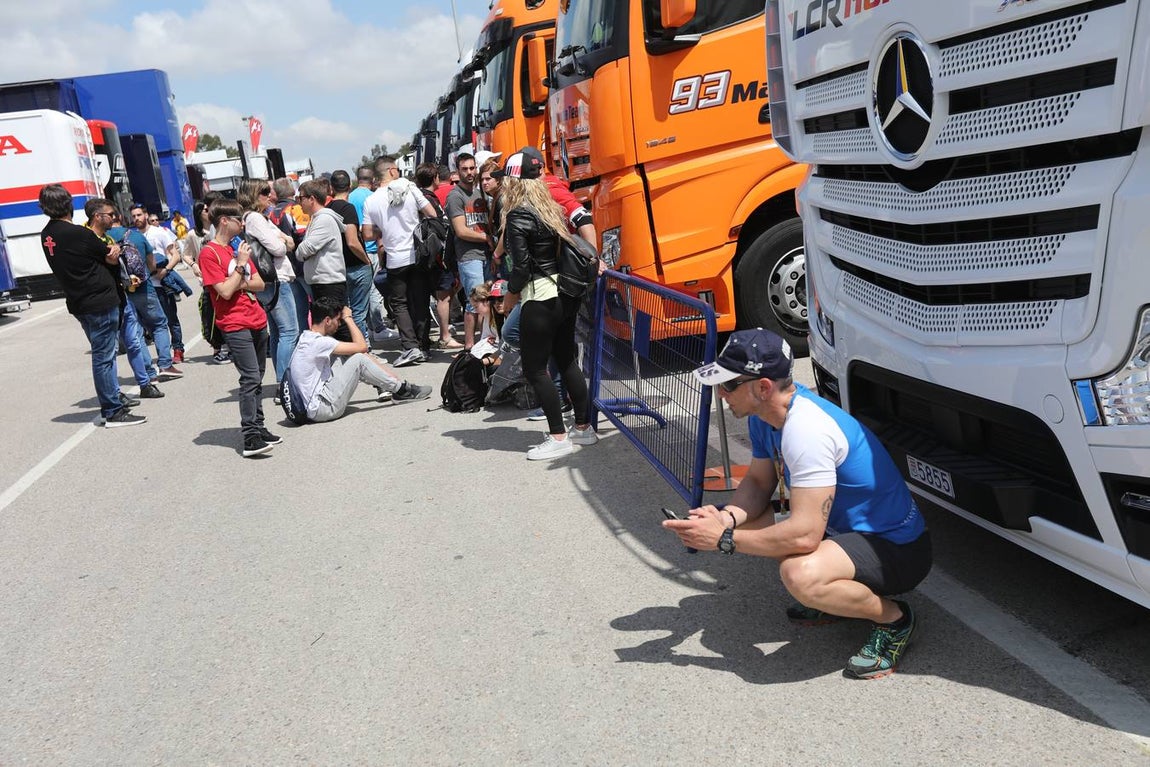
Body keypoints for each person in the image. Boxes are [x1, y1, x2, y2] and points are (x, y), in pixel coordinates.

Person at [664, 329, 933, 680]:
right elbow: (760, 483)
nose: (721, 393)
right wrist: (724, 519)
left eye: (729, 385)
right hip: (848, 529)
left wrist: (723, 540)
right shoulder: (769, 415)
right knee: (752, 526)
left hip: (898, 550)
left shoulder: (806, 429)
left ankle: (895, 619)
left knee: (799, 573)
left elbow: (804, 535)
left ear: (762, 388)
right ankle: (837, 599)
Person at [499, 152, 596, 460]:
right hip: (564, 294)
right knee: (566, 359)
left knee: (536, 369)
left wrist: (508, 300)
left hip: (539, 297)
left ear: (512, 182)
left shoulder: (518, 214)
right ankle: (583, 428)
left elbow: (521, 268)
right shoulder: (549, 208)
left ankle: (558, 436)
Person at [38, 186, 145, 427]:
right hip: (99, 300)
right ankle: (112, 410)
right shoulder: (78, 233)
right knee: (104, 357)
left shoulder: (47, 235)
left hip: (78, 301)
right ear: (69, 205)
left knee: (103, 354)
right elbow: (109, 254)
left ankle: (114, 397)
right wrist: (115, 251)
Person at [198, 198, 278, 458]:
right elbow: (223, 291)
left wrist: (238, 280)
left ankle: (260, 425)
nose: (242, 224)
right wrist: (241, 267)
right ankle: (250, 436)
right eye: (237, 219)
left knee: (258, 377)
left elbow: (260, 284)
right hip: (234, 323)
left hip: (256, 318)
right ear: (224, 221)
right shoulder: (209, 253)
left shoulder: (236, 247)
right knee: (250, 378)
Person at [288, 296, 431, 423]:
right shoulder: (321, 343)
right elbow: (362, 347)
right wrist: (348, 319)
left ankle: (387, 383)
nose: (339, 325)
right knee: (358, 359)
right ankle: (402, 391)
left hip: (308, 407)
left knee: (343, 355)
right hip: (322, 410)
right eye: (338, 320)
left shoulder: (306, 338)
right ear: (327, 320)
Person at [362, 156, 438, 367]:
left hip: (394, 258)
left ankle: (410, 346)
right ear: (393, 171)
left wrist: (384, 228)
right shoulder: (410, 187)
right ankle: (423, 347)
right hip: (417, 254)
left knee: (400, 303)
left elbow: (367, 234)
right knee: (421, 300)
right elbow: (431, 213)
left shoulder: (371, 200)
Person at [85, 199, 164, 401]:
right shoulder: (85, 239)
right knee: (108, 353)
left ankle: (146, 382)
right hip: (102, 303)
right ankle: (114, 396)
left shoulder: (109, 240)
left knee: (135, 341)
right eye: (110, 214)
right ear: (97, 216)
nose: (115, 218)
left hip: (121, 296)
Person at [238, 179, 299, 389]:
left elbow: (287, 241)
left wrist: (284, 240)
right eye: (264, 192)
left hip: (269, 280)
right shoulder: (255, 217)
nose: (269, 196)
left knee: (278, 332)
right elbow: (280, 248)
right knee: (290, 331)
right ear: (254, 195)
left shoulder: (255, 217)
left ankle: (282, 382)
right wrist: (283, 241)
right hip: (275, 279)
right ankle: (284, 384)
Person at [109, 211, 182, 380]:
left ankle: (148, 371)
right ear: (121, 218)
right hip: (143, 287)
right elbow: (151, 264)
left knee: (136, 332)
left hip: (121, 292)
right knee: (159, 324)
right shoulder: (135, 236)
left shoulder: (103, 239)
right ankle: (165, 364)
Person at [446, 152, 493, 351]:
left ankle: (485, 343)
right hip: (468, 255)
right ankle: (469, 346)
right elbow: (461, 230)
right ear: (458, 171)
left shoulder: (480, 192)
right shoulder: (455, 196)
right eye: (465, 169)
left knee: (488, 300)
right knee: (475, 301)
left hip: (487, 255)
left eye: (472, 168)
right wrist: (487, 238)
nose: (469, 173)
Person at [415, 161, 462, 350]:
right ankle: (444, 335)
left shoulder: (421, 198)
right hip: (437, 256)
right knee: (444, 296)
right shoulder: (427, 200)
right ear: (435, 178)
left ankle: (431, 337)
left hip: (429, 256)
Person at [296, 179, 350, 341]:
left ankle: (357, 358)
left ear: (311, 199)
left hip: (329, 282)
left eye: (301, 198)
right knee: (331, 326)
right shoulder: (317, 219)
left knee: (337, 325)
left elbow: (305, 249)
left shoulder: (323, 220)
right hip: (323, 281)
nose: (299, 203)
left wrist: (299, 250)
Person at [135, 206, 187, 363]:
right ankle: (163, 353)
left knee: (171, 319)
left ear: (145, 215)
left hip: (163, 283)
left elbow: (175, 255)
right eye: (134, 216)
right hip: (147, 285)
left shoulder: (159, 233)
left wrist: (165, 270)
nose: (136, 218)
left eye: (139, 215)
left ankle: (178, 349)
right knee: (152, 322)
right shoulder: (135, 237)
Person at [328, 170, 373, 338]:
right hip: (356, 265)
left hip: (338, 267)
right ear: (350, 185)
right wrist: (366, 260)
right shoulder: (348, 208)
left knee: (345, 312)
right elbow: (352, 241)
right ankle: (362, 348)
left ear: (331, 188)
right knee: (359, 313)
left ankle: (351, 347)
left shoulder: (328, 209)